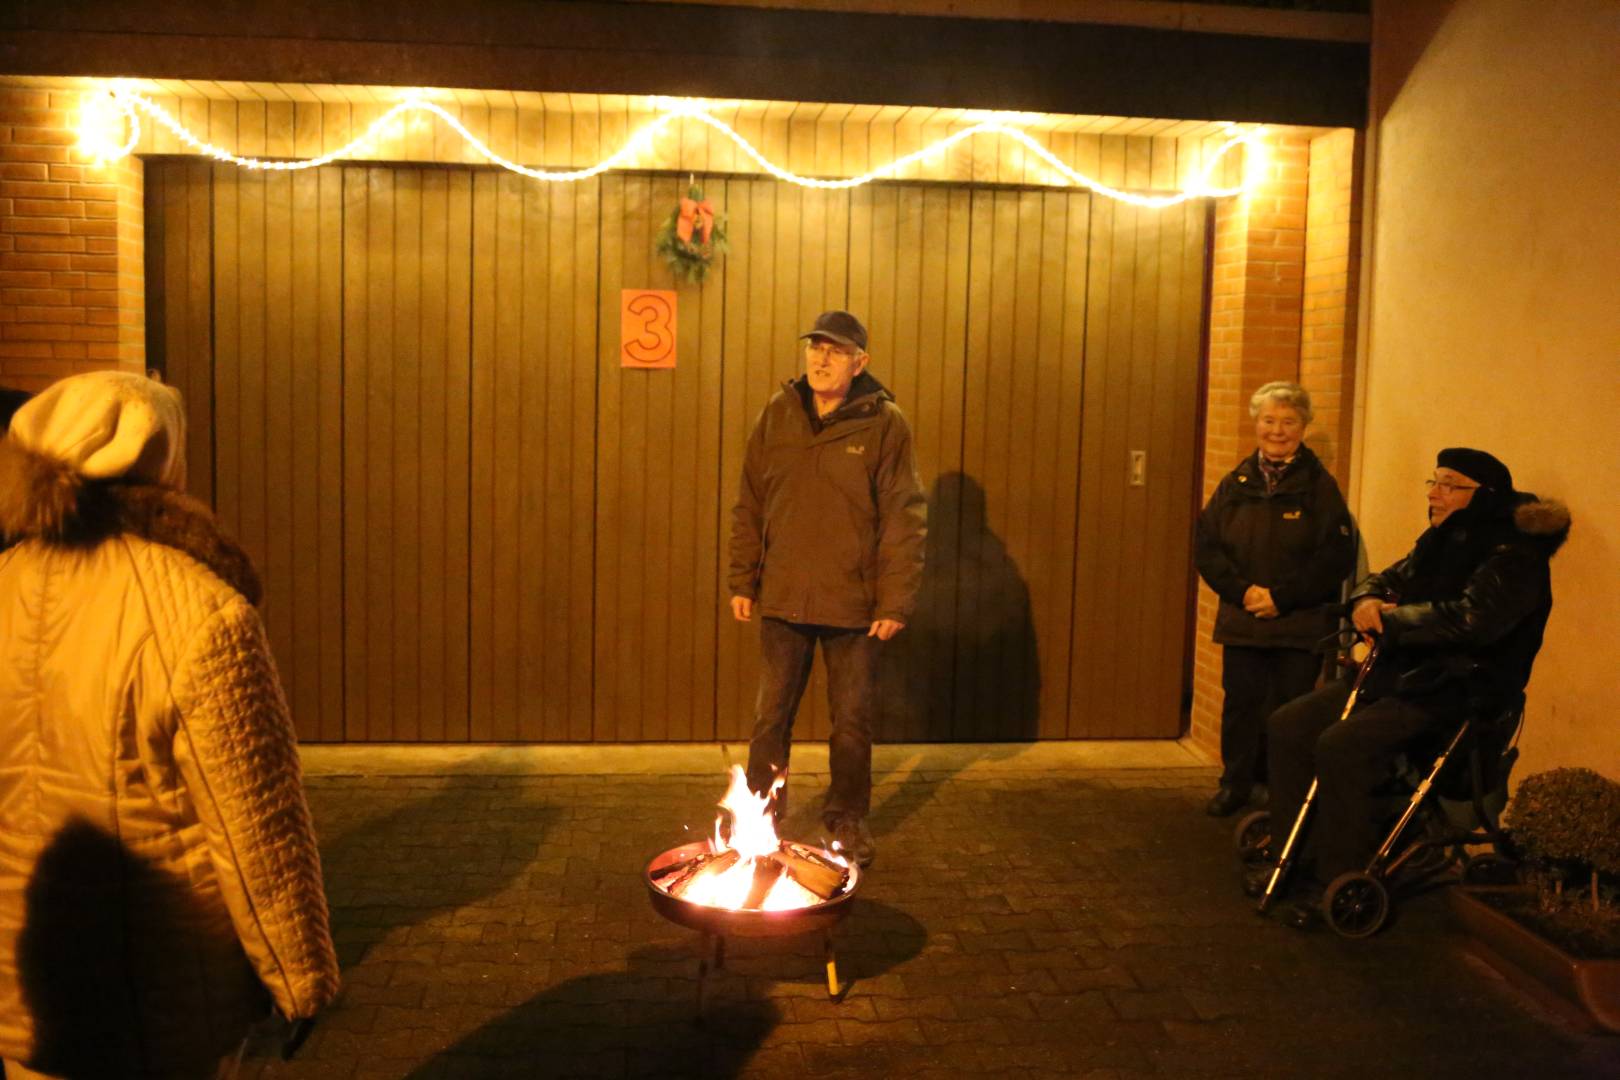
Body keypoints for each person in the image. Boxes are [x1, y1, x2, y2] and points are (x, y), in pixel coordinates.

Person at [0, 372, 340, 1078]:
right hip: (163, 987)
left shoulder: (5, 584)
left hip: (28, 978)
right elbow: (257, 824)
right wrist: (300, 979)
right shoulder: (199, 611)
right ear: (164, 463)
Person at [1262, 447, 1569, 929]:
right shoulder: (1442, 538)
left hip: (1455, 687)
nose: (1435, 493)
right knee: (1289, 724)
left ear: (1483, 495)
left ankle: (1336, 877)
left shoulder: (1514, 554)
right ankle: (1290, 855)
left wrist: (1392, 619)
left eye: (1450, 484)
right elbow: (1389, 577)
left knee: (1341, 745)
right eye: (1434, 481)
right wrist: (1366, 598)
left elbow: (1474, 620)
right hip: (1400, 671)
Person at [728, 310, 927, 866]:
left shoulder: (885, 423)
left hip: (854, 607)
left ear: (859, 362)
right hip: (785, 598)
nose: (820, 359)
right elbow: (750, 500)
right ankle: (760, 821)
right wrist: (743, 577)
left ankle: (846, 820)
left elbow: (903, 516)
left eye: (835, 351)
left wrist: (895, 601)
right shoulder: (779, 413)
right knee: (770, 722)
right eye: (815, 348)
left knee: (851, 725)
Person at [1194, 382, 1356, 817]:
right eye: (1269, 420)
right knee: (1240, 707)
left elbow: (1335, 556)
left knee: (1290, 713)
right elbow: (1206, 545)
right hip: (1242, 620)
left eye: (1288, 421)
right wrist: (1242, 592)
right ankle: (1236, 784)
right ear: (1256, 424)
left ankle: (1283, 791)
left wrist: (1281, 598)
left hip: (1297, 625)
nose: (1277, 430)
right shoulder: (1236, 483)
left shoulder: (1319, 487)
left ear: (1304, 427)